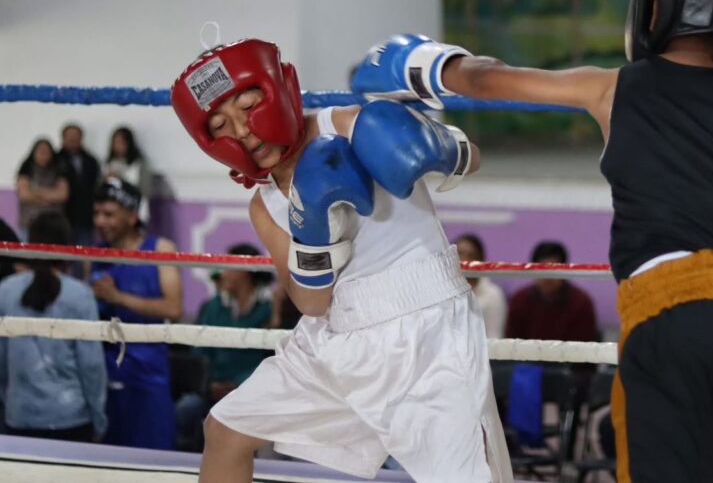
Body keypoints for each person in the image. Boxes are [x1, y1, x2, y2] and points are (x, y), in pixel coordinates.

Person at [351, 0, 713, 482]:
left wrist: (416, 62)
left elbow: (487, 78)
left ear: (653, 7)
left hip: (674, 307)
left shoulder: (611, 88)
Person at [170, 38, 512, 483]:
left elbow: (474, 158)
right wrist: (312, 233)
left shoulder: (350, 124)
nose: (243, 131)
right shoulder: (264, 204)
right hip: (333, 339)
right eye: (221, 126)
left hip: (425, 326)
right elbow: (312, 304)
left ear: (279, 91)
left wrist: (437, 144)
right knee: (225, 430)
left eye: (249, 107)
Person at [90, 178, 182, 450]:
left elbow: (174, 308)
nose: (100, 221)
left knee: (154, 458)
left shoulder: (160, 248)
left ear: (132, 216)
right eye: (97, 213)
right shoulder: (95, 254)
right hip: (105, 372)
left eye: (109, 214)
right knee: (105, 460)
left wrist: (118, 297)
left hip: (149, 373)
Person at [0, 212, 107, 442]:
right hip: (71, 419)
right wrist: (99, 418)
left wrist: (10, 402)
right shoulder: (81, 295)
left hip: (19, 416)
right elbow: (92, 365)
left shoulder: (6, 291)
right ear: (67, 248)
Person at [176, 243, 273, 453]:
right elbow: (200, 351)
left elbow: (274, 356)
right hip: (211, 390)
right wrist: (208, 383)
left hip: (253, 391)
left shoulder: (271, 309)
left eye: (228, 266)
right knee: (186, 409)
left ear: (245, 271)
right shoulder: (213, 306)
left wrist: (239, 384)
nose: (222, 273)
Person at [505, 240, 596, 343]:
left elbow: (584, 345)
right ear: (532, 269)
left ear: (565, 270)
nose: (548, 276)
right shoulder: (519, 301)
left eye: (554, 269)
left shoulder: (581, 303)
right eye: (542, 269)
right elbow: (512, 344)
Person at [56, 123, 101, 246]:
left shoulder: (91, 161)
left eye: (75, 136)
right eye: (69, 136)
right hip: (62, 217)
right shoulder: (55, 159)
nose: (73, 140)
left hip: (85, 217)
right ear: (63, 138)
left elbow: (96, 187)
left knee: (84, 251)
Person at [456, 233, 507, 338]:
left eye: (471, 256)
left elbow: (494, 335)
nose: (464, 260)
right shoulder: (443, 293)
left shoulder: (493, 294)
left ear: (480, 260)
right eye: (460, 254)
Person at [16, 138, 70, 235]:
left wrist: (34, 193)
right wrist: (50, 195)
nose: (43, 155)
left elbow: (62, 195)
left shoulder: (59, 170)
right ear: (34, 153)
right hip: (29, 222)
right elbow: (24, 194)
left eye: (46, 152)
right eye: (40, 152)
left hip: (53, 224)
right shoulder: (26, 169)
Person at [103, 126, 152, 222]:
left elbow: (145, 189)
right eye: (115, 142)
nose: (118, 146)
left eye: (122, 143)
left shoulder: (139, 163)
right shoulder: (109, 163)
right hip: (113, 212)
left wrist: (120, 180)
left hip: (135, 209)